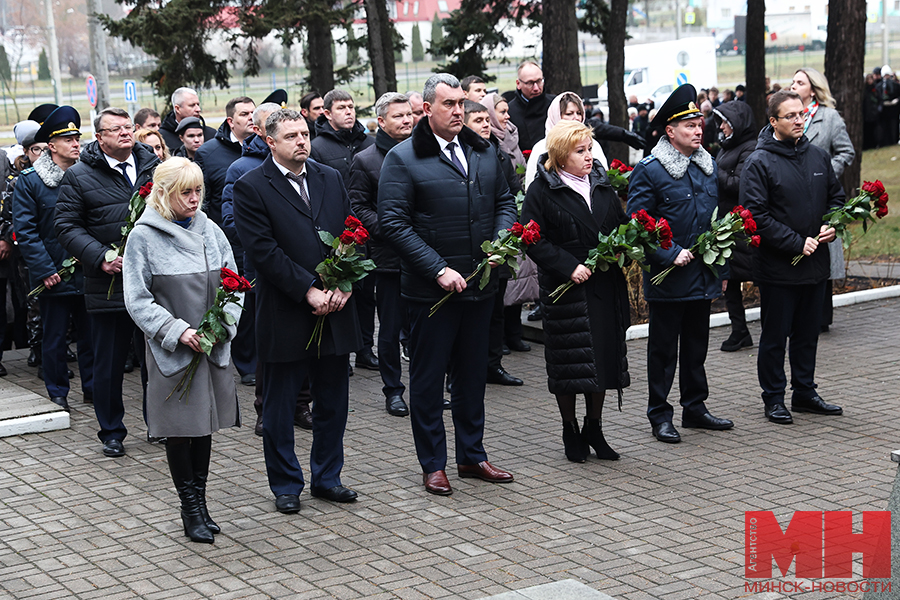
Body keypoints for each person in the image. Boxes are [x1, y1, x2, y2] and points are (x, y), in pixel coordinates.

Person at [379, 74, 517, 496]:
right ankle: (433, 464)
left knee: (473, 376)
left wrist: (498, 245)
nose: (459, 111)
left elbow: (505, 203)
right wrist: (438, 269)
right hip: (430, 294)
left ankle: (472, 456)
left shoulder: (484, 151)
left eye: (462, 103)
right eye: (449, 104)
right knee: (427, 380)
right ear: (427, 110)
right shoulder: (403, 159)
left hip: (480, 286)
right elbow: (394, 224)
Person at [234, 109, 362, 513]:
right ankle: (286, 484)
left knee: (333, 402)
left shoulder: (329, 177)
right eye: (291, 136)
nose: (302, 141)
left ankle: (328, 478)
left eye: (305, 133)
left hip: (335, 308)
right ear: (269, 141)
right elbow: (263, 251)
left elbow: (350, 231)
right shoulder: (251, 186)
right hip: (285, 311)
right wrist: (307, 289)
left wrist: (344, 281)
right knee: (279, 406)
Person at [123, 157, 241, 544]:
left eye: (198, 192)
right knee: (180, 429)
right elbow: (138, 300)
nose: (194, 200)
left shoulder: (211, 229)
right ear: (164, 193)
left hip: (211, 347)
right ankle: (189, 508)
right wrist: (178, 331)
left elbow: (234, 284)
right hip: (173, 351)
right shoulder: (143, 236)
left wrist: (224, 325)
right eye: (185, 193)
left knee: (204, 425)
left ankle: (202, 504)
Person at [626, 84, 734, 444]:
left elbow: (716, 222)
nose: (698, 130)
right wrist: (669, 254)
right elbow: (637, 225)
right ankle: (659, 413)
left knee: (696, 346)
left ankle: (695, 407)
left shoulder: (706, 166)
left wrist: (722, 271)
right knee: (662, 351)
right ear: (670, 131)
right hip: (669, 278)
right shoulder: (651, 170)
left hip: (701, 275)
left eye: (699, 124)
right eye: (688, 126)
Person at [521, 120, 630, 462]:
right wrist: (567, 265)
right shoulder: (543, 189)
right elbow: (531, 238)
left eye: (589, 149)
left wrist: (626, 245)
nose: (588, 156)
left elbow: (619, 224)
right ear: (560, 155)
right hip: (567, 289)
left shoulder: (600, 184)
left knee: (601, 358)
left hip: (603, 284)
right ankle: (570, 429)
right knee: (570, 362)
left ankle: (593, 427)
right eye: (579, 151)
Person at [55, 107, 161, 458]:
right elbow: (67, 227)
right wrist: (101, 257)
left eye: (128, 127)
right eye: (114, 129)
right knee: (110, 363)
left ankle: (158, 423)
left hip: (152, 284)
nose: (124, 133)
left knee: (155, 359)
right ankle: (112, 430)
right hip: (109, 285)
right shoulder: (80, 176)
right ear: (99, 138)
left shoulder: (154, 167)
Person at [740, 90, 845, 425]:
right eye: (791, 116)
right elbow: (755, 216)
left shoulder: (817, 156)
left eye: (802, 114)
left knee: (807, 332)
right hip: (778, 267)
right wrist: (795, 242)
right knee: (775, 336)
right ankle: (773, 398)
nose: (799, 120)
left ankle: (804, 392)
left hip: (814, 264)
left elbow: (836, 197)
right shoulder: (759, 162)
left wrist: (833, 222)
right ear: (773, 121)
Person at [14, 106, 93, 409]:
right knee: (55, 337)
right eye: (69, 139)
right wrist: (45, 269)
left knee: (90, 337)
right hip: (54, 275)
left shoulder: (87, 175)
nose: (76, 144)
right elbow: (27, 232)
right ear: (51, 145)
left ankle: (91, 387)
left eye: (77, 137)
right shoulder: (31, 181)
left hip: (88, 270)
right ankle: (57, 389)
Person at [219, 102, 286, 435]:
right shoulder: (241, 169)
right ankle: (264, 407)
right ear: (262, 133)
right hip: (260, 264)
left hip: (298, 270)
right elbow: (232, 220)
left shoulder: (306, 168)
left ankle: (300, 403)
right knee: (265, 334)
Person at [349, 92, 414, 417]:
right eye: (399, 115)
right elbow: (358, 207)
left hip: (425, 258)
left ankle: (426, 388)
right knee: (389, 331)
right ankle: (394, 390)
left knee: (424, 330)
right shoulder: (366, 160)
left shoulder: (424, 153)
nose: (407, 120)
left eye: (410, 114)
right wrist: (390, 229)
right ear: (381, 121)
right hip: (388, 260)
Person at [310, 89, 377, 372]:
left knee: (364, 293)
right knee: (336, 290)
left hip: (365, 229)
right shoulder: (317, 147)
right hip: (334, 231)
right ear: (327, 113)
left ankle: (364, 348)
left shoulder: (369, 142)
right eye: (341, 108)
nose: (349, 112)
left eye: (351, 107)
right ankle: (340, 350)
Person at [467, 98, 527, 387]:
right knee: (467, 318)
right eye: (478, 121)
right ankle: (460, 374)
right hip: (468, 250)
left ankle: (493, 366)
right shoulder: (461, 155)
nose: (486, 126)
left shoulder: (498, 155)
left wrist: (503, 237)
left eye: (487, 120)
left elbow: (511, 196)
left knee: (496, 312)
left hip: (496, 245)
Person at [791, 67, 855, 332]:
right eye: (793, 81)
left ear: (813, 89)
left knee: (822, 246)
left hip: (821, 194)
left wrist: (825, 172)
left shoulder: (829, 118)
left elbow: (846, 151)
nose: (793, 85)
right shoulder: (788, 115)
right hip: (793, 195)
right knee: (799, 246)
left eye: (799, 82)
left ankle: (821, 317)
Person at [712, 100, 758, 352]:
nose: (720, 127)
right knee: (730, 281)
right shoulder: (729, 146)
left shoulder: (749, 148)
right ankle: (739, 330)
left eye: (725, 122)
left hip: (742, 224)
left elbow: (739, 184)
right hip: (728, 224)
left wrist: (711, 168)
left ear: (737, 124)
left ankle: (766, 328)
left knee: (753, 276)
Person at [195, 96, 256, 228]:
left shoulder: (269, 147)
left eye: (253, 113)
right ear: (231, 121)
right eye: (244, 114)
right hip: (225, 233)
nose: (251, 117)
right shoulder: (207, 153)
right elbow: (202, 201)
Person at [525, 92, 608, 189]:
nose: (576, 118)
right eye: (569, 114)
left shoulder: (594, 145)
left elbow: (604, 181)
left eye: (579, 113)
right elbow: (531, 187)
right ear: (556, 116)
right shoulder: (541, 147)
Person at [507, 61, 555, 153]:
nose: (536, 88)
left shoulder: (555, 104)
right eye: (530, 83)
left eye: (539, 81)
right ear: (518, 84)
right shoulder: (510, 111)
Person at [877, 66, 900, 147]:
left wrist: (896, 101)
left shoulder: (895, 85)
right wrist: (882, 103)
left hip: (893, 110)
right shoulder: (879, 86)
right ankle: (886, 142)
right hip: (884, 111)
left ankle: (894, 140)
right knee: (885, 127)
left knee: (893, 126)